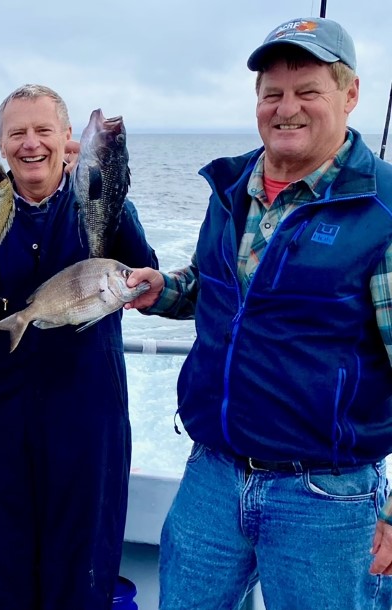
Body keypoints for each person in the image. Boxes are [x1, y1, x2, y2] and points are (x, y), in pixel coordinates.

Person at [127, 17, 392, 609]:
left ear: (350, 94)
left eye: (307, 91)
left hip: (327, 497)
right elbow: (221, 289)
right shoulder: (232, 187)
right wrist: (164, 289)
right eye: (273, 93)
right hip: (213, 475)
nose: (286, 108)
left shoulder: (383, 210)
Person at [0, 83, 157, 610]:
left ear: (68, 139)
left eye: (43, 130)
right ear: (1, 144)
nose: (30, 143)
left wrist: (112, 196)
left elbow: (144, 284)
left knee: (81, 575)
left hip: (86, 420)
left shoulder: (99, 199)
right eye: (16, 133)